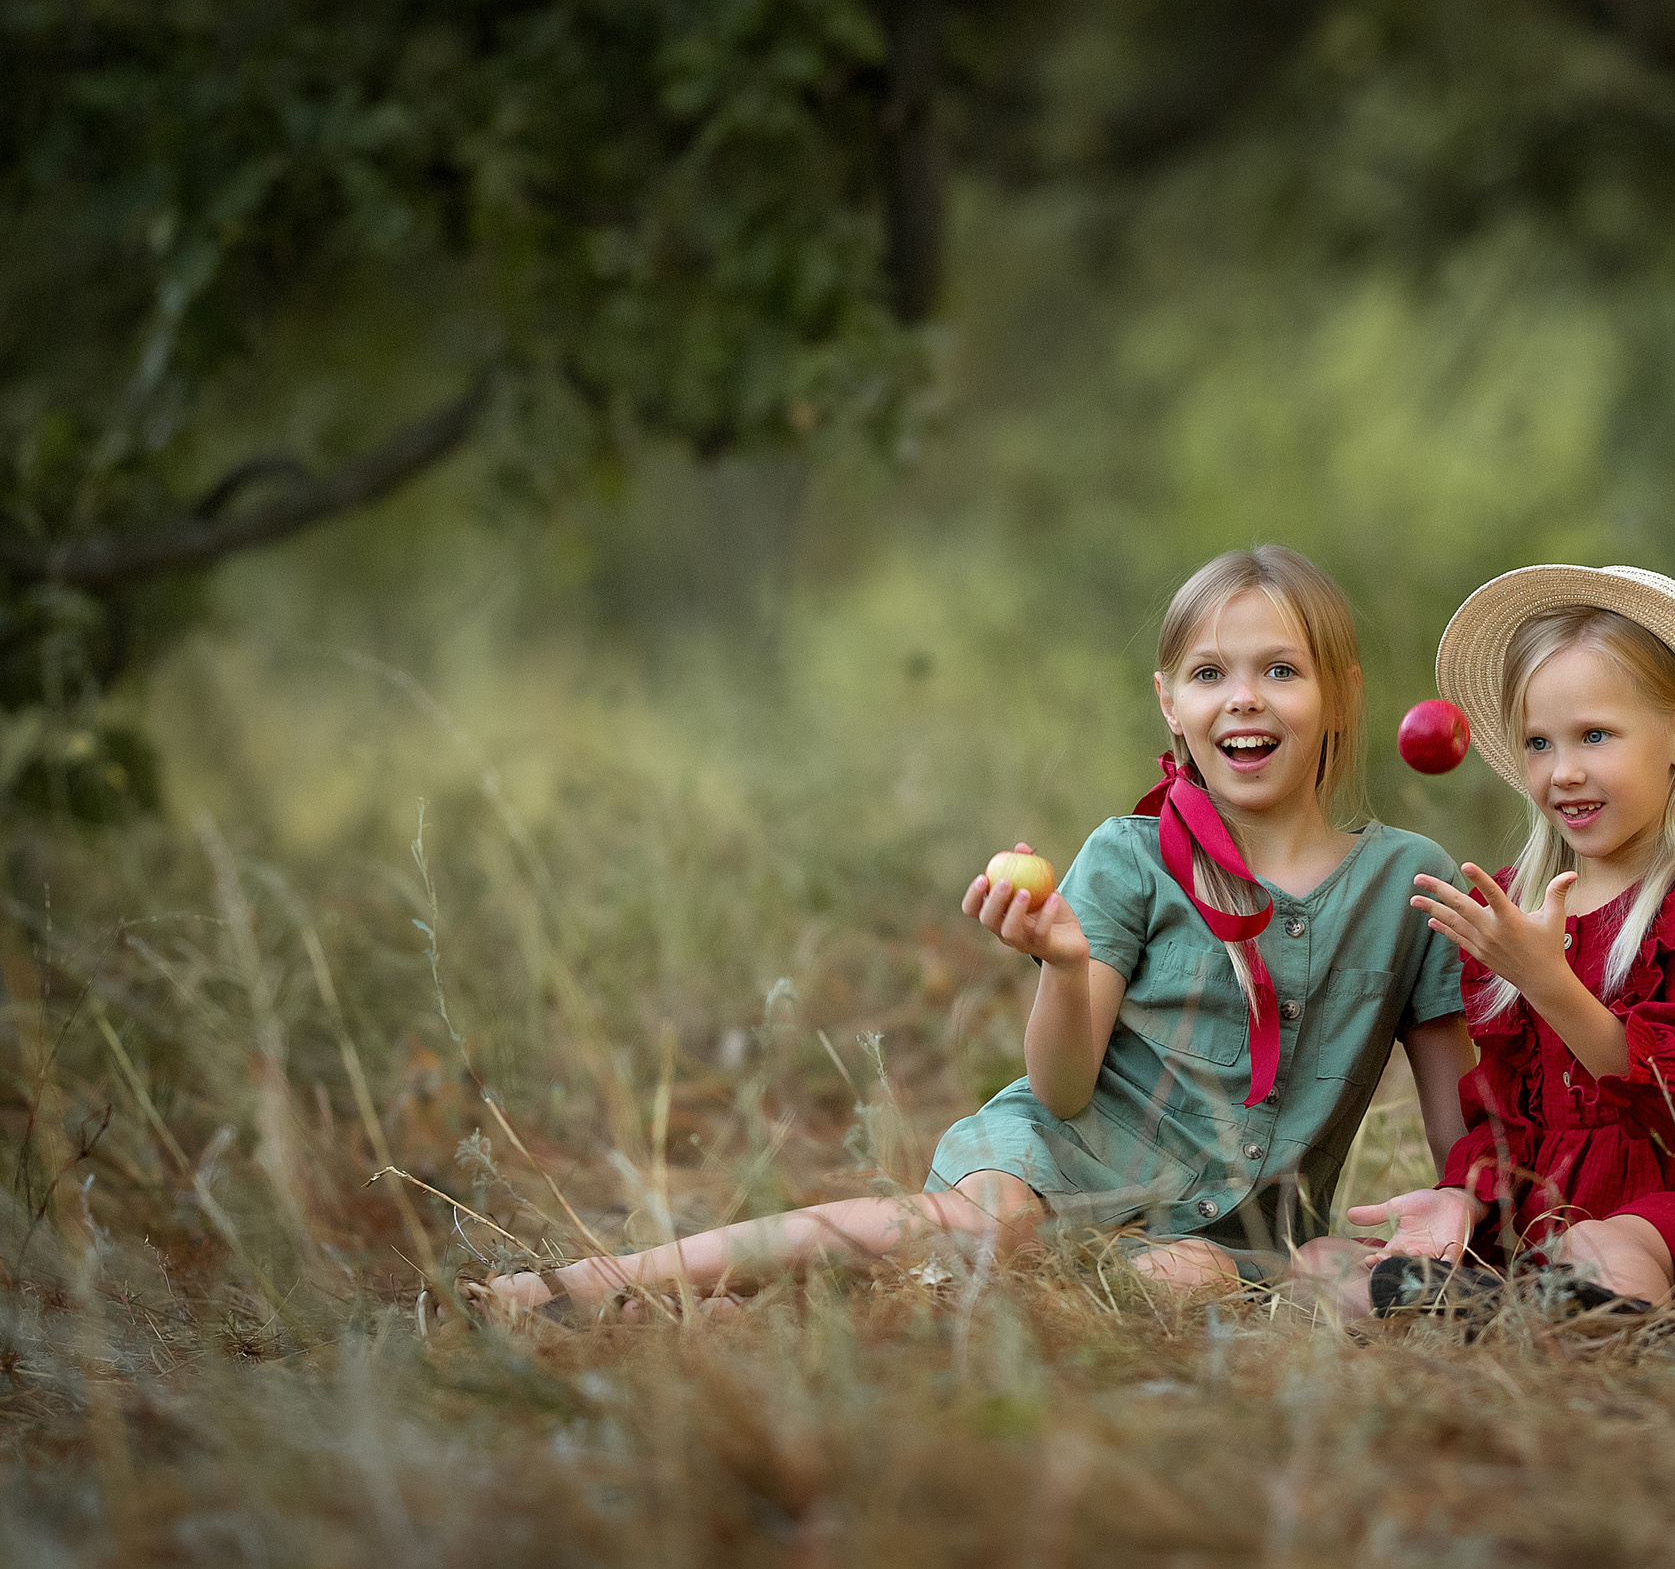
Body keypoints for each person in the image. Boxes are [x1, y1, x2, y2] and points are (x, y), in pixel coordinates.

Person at [459, 546, 1474, 1319]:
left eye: (1281, 670)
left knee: (1186, 1284)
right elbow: (1062, 1089)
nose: (1243, 697)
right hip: (1059, 1156)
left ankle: (880, 1314)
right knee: (995, 1226)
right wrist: (1063, 967)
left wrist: (1461, 1204)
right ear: (1169, 703)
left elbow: (1457, 1127)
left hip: (1230, 1233)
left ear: (1341, 693)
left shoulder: (1408, 882)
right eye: (1210, 673)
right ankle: (599, 1282)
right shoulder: (1129, 857)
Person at [1295, 564, 1675, 1319]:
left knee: (1603, 1250)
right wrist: (1462, 1196)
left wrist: (1547, 980)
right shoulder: (1519, 905)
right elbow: (1509, 1111)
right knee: (1321, 1262)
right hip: (1546, 1205)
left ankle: (1571, 1318)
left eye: (1595, 736)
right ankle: (1494, 1313)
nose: (1563, 772)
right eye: (1539, 742)